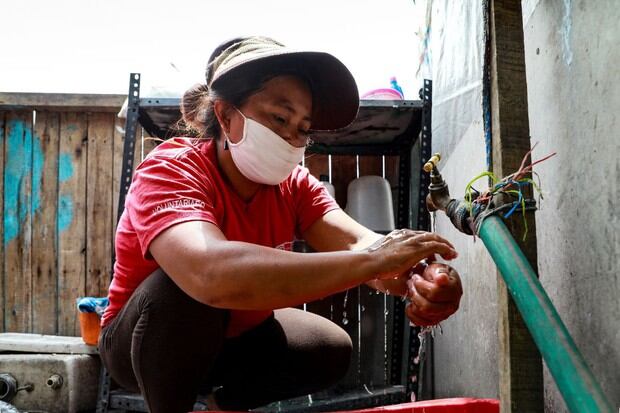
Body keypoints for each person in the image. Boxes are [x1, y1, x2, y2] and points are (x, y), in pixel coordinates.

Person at [99, 36, 463, 413]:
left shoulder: (295, 185)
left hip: (233, 337)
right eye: (279, 118)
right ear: (225, 116)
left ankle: (223, 407)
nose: (291, 138)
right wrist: (377, 261)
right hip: (142, 342)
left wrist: (421, 279)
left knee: (328, 348)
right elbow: (207, 272)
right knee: (182, 293)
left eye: (303, 128)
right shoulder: (172, 167)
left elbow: (359, 243)